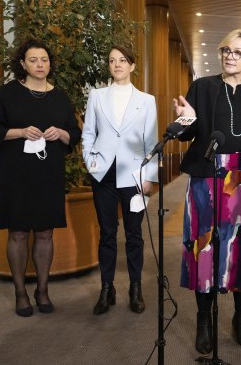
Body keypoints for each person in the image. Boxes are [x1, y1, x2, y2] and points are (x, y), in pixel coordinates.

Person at [173, 29, 241, 354]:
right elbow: (184, 134)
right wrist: (186, 122)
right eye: (226, 50)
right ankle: (204, 322)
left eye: (238, 52)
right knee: (205, 248)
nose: (230, 56)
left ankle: (240, 319)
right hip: (207, 180)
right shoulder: (203, 87)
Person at [0, 39, 81, 317]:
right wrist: (20, 131)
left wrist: (60, 134)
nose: (40, 65)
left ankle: (43, 290)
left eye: (45, 60)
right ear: (22, 63)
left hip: (49, 174)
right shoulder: (6, 94)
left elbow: (73, 133)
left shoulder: (60, 97)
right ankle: (20, 292)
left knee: (46, 233)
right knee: (18, 232)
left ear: (50, 64)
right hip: (17, 173)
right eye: (34, 60)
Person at [82, 45, 158, 315]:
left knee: (134, 235)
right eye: (112, 60)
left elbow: (151, 140)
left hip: (134, 175)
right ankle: (107, 288)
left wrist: (149, 176)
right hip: (102, 174)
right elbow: (89, 132)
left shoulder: (146, 100)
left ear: (132, 65)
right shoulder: (97, 96)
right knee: (107, 233)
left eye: (123, 60)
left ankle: (135, 288)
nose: (117, 65)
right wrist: (89, 161)